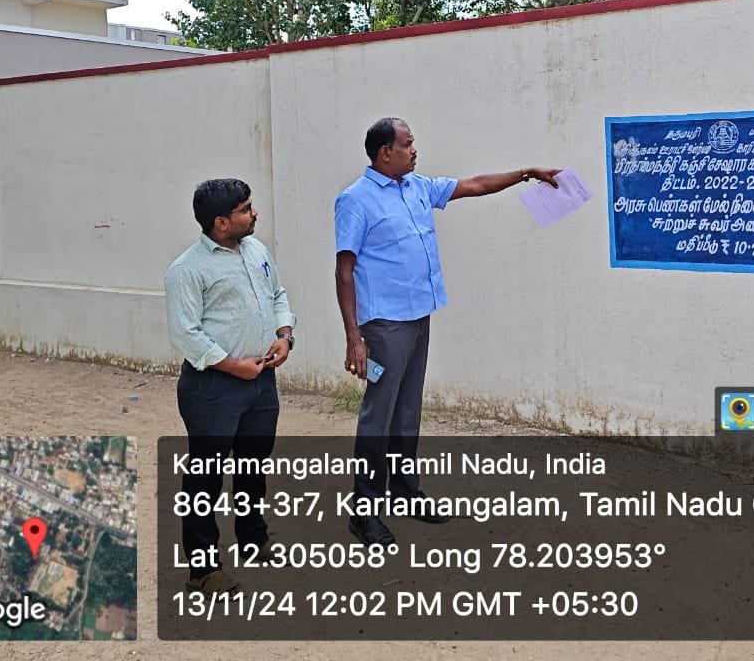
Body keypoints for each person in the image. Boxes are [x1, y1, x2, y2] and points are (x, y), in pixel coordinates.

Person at [335, 117, 560, 546]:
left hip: (419, 315)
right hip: (383, 325)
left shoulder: (417, 187)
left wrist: (526, 173)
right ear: (386, 152)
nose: (415, 149)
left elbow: (474, 184)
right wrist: (354, 338)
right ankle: (363, 512)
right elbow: (344, 271)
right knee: (378, 416)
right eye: (407, 143)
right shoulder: (355, 201)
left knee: (406, 410)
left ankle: (403, 493)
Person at [165, 178, 295, 595]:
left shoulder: (256, 251)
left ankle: (253, 541)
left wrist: (284, 333)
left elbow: (278, 294)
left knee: (253, 465)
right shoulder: (187, 270)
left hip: (261, 383)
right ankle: (203, 570)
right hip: (213, 388)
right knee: (206, 477)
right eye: (245, 209)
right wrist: (234, 366)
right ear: (221, 222)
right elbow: (186, 334)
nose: (254, 213)